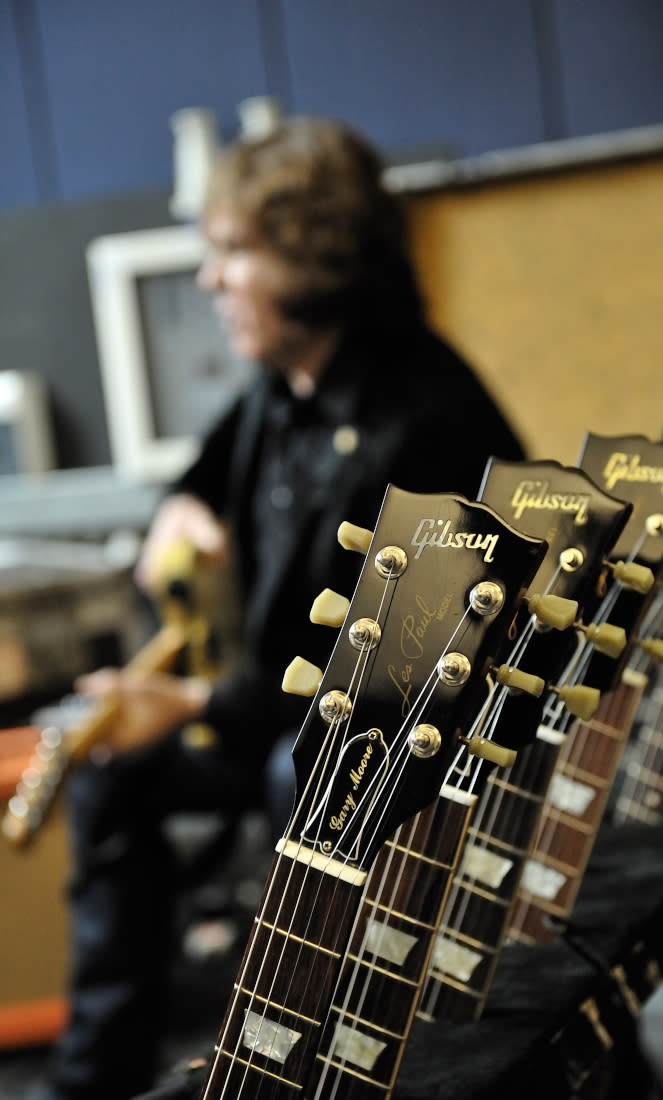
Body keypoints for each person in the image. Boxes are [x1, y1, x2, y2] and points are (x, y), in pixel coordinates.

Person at [42, 116, 525, 1100]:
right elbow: (199, 476)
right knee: (110, 779)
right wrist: (181, 507)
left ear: (316, 254)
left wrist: (184, 707)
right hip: (268, 712)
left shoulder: (426, 416)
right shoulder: (282, 386)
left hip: (388, 757)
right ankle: (92, 1079)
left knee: (284, 772)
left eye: (231, 253)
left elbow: (379, 689)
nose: (210, 280)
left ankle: (294, 1056)